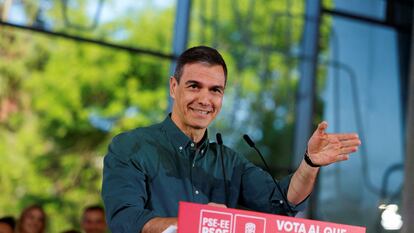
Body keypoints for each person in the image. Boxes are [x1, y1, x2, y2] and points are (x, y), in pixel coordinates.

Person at [101, 46, 361, 233]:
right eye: (194, 86)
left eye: (216, 90)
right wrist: (200, 225)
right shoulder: (131, 147)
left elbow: (281, 203)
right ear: (173, 87)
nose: (205, 99)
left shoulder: (229, 161)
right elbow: (126, 220)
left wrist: (309, 163)